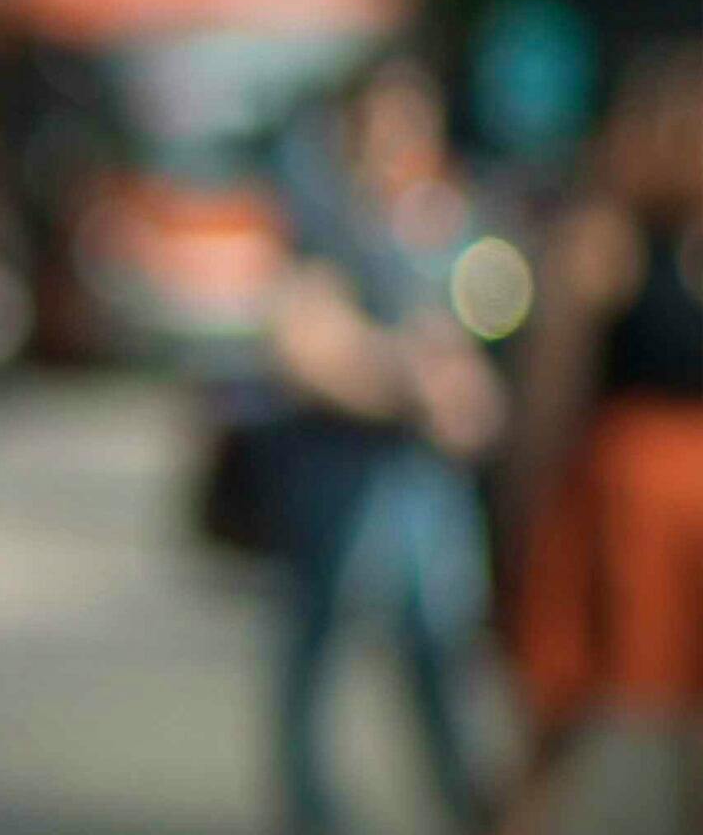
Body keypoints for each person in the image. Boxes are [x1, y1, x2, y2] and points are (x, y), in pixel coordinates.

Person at [253, 55, 507, 835]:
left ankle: (468, 807)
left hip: (424, 484)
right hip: (338, 474)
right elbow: (303, 346)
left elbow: (485, 353)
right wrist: (404, 374)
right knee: (317, 662)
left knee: (438, 663)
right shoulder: (323, 218)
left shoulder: (452, 220)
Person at [498, 43, 703, 834]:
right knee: (563, 712)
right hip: (619, 497)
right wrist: (526, 504)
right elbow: (551, 393)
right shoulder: (606, 243)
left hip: (681, 504)